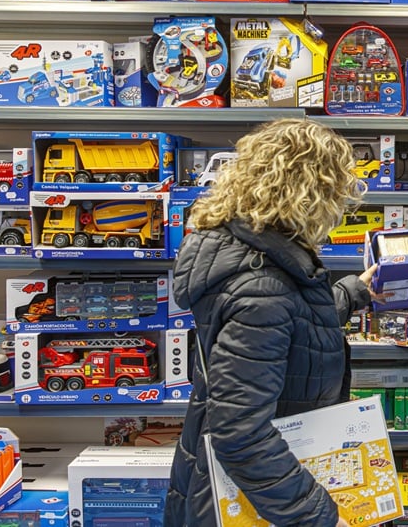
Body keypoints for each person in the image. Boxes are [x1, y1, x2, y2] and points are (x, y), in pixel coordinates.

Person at [164, 118, 378, 527]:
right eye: (335, 190)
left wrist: (355, 291)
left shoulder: (254, 251)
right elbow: (241, 434)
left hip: (260, 489)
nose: (340, 206)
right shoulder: (262, 282)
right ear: (308, 193)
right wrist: (319, 516)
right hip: (248, 504)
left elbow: (289, 327)